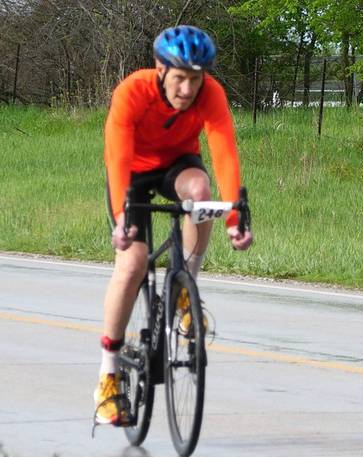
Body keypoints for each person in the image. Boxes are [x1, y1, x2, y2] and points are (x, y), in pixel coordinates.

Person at [95, 25, 254, 426]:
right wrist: (121, 219)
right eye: (180, 78)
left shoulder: (211, 95)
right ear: (161, 70)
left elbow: (224, 154)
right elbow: (116, 158)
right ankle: (107, 379)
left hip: (177, 167)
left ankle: (186, 292)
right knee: (133, 264)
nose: (187, 89)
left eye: (195, 79)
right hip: (132, 174)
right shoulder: (132, 92)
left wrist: (234, 220)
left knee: (201, 190)